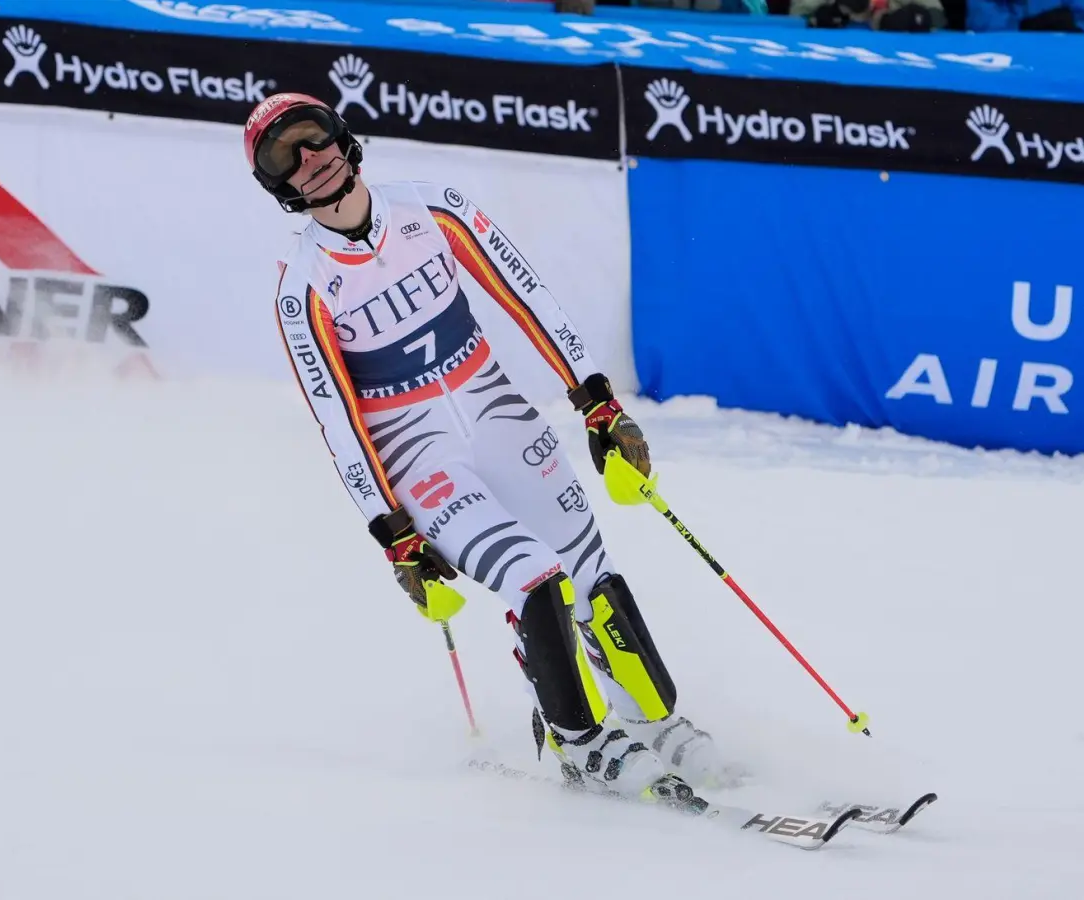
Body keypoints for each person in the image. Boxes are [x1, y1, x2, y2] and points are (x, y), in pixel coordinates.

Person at [245, 93, 734, 799]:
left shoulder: (432, 207)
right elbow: (339, 420)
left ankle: (657, 721)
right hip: (420, 456)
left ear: (343, 138)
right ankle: (580, 742)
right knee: (536, 578)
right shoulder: (303, 289)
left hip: (501, 415)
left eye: (313, 138)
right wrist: (393, 535)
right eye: (282, 157)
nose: (308, 160)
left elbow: (527, 297)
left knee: (592, 572)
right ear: (279, 187)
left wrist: (596, 401)